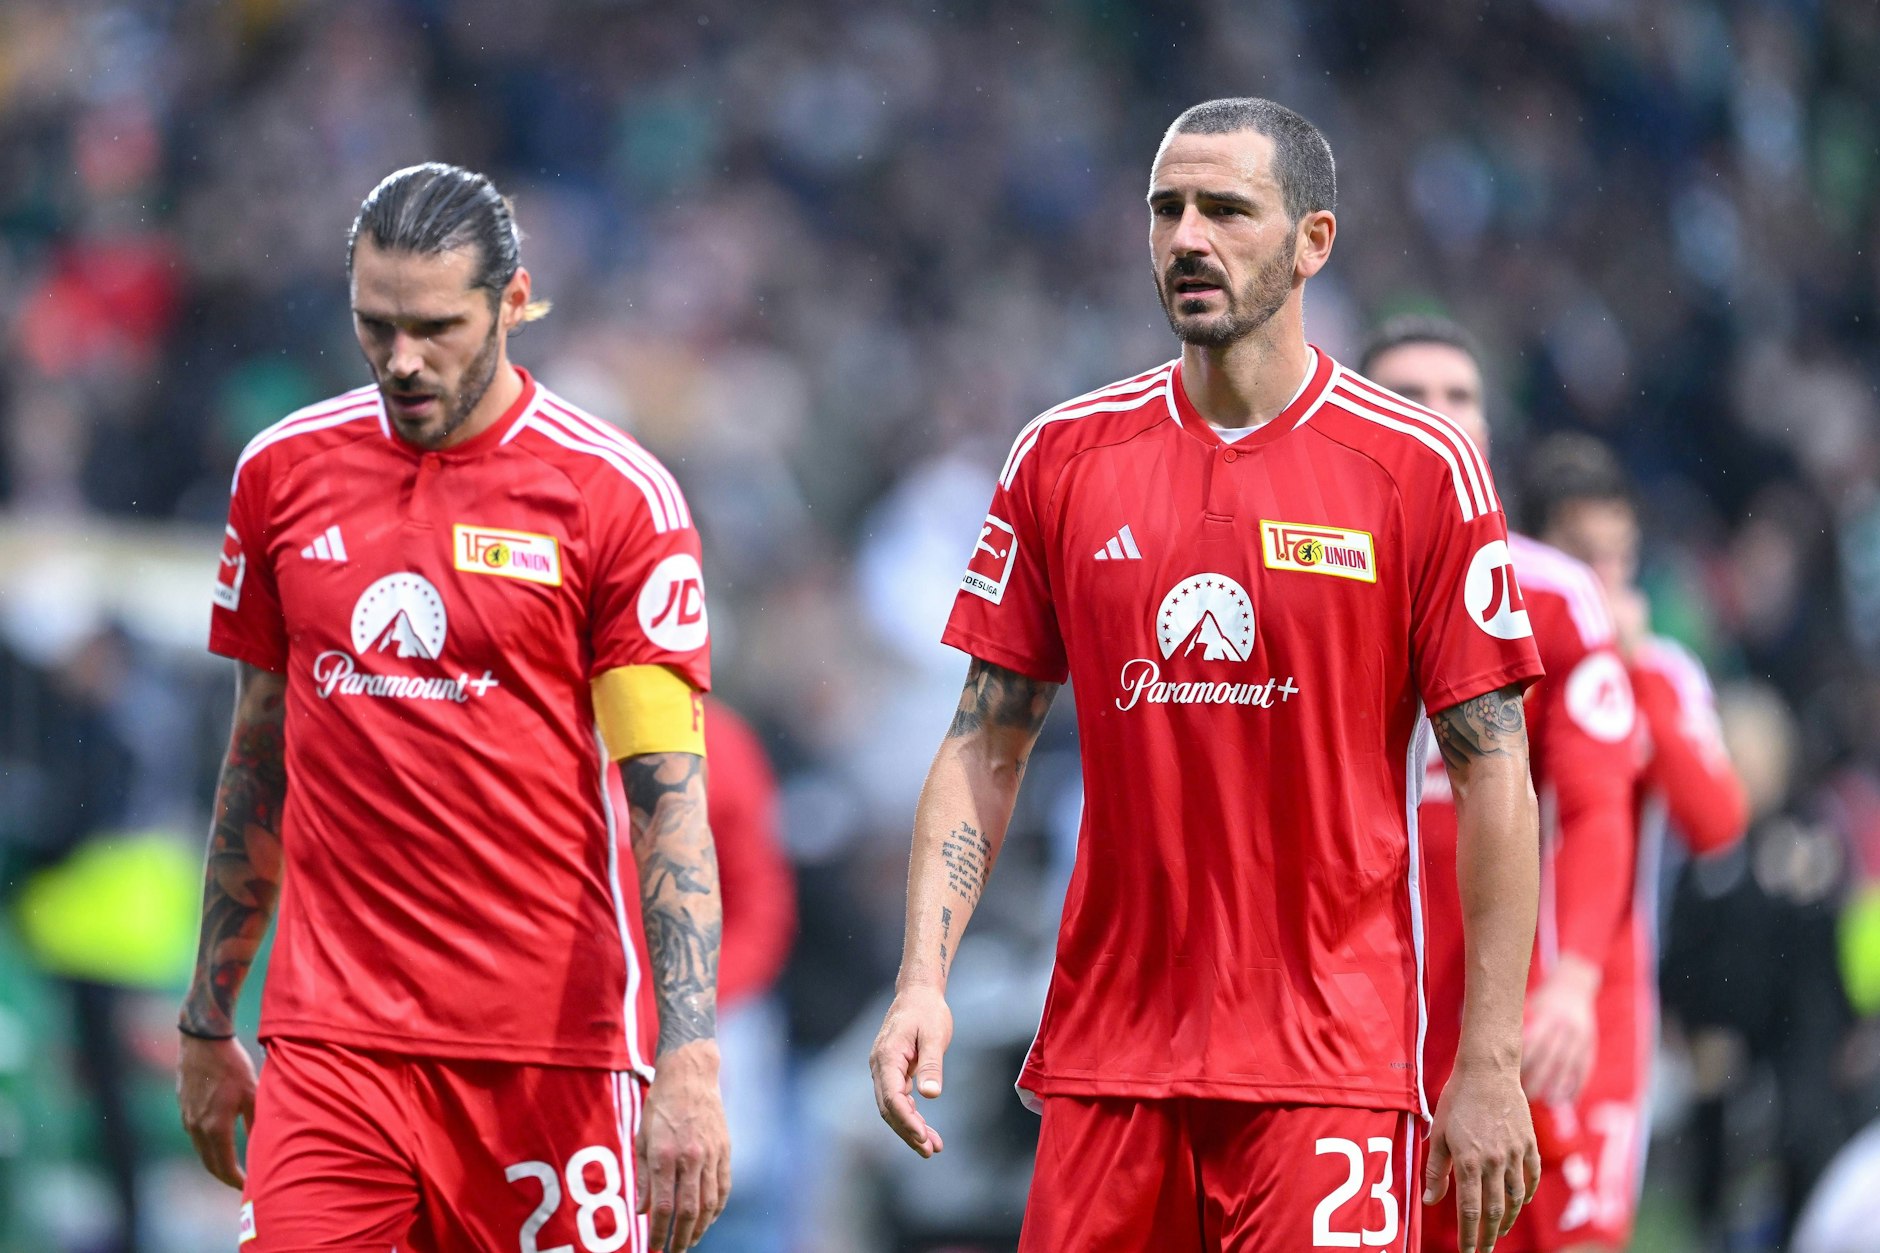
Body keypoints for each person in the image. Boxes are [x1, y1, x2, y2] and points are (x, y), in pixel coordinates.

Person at [869, 98, 1545, 1253]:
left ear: (1312, 241)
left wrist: (1485, 1056)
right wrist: (920, 979)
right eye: (1166, 209)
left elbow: (1493, 776)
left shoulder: (1416, 468)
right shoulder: (1062, 456)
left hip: (1325, 1065)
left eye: (1226, 210)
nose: (1187, 237)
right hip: (1108, 1061)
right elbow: (984, 740)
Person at [174, 163, 730, 1252]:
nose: (401, 359)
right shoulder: (281, 474)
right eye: (374, 325)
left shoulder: (615, 499)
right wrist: (207, 1015)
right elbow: (258, 758)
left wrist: (691, 1058)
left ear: (513, 302)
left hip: (545, 1055)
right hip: (332, 1049)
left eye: (436, 327)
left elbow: (668, 798)